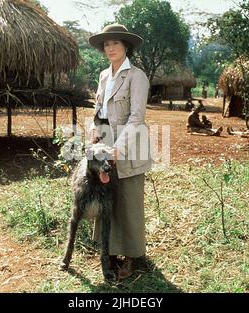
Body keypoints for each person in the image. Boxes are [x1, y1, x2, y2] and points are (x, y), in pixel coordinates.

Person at [88, 24, 152, 279]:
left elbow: (136, 117)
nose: (110, 48)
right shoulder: (104, 76)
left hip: (130, 147)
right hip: (106, 147)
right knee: (106, 200)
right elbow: (99, 111)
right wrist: (95, 132)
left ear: (126, 46)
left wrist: (118, 149)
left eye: (115, 43)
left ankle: (133, 257)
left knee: (128, 202)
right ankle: (110, 252)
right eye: (106, 44)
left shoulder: (137, 77)